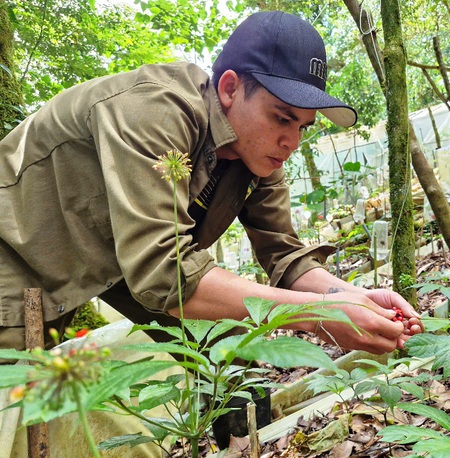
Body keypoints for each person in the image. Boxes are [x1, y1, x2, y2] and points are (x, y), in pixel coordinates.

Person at [0, 10, 423, 357]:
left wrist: (352, 300)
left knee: (225, 360)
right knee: (20, 399)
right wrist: (318, 314)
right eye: (281, 117)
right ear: (229, 89)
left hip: (119, 261)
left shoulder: (258, 155)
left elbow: (285, 258)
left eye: (304, 127)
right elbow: (165, 275)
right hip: (18, 252)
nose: (291, 142)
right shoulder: (152, 111)